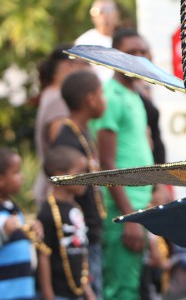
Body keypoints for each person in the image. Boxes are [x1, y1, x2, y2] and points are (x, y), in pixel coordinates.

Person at [91, 28, 154, 300]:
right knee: (120, 290)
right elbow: (106, 164)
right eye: (131, 53)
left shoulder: (134, 93)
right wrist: (129, 217)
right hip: (122, 209)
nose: (138, 58)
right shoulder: (110, 97)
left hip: (139, 205)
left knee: (134, 284)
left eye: (142, 52)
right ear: (115, 56)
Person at [53, 70, 106, 300]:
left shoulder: (83, 132)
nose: (104, 100)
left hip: (92, 231)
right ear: (90, 99)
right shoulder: (67, 139)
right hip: (80, 235)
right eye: (101, 94)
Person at [37, 146, 95, 300]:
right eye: (79, 172)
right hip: (58, 293)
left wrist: (89, 293)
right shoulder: (47, 212)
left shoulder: (76, 208)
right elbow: (44, 256)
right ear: (61, 175)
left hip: (79, 292)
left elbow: (81, 254)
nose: (85, 177)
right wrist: (48, 296)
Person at [34, 45, 88, 205]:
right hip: (60, 194)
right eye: (84, 63)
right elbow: (63, 149)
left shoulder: (51, 94)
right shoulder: (58, 98)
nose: (88, 70)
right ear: (68, 65)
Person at [0, 148, 43, 300]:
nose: (22, 176)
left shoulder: (14, 209)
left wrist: (31, 231)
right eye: (16, 172)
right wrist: (3, 230)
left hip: (24, 292)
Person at [75, 0, 121, 83]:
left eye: (108, 10)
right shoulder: (84, 42)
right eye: (97, 11)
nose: (103, 14)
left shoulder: (126, 40)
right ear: (92, 17)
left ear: (117, 14)